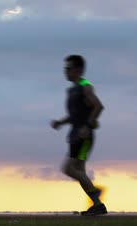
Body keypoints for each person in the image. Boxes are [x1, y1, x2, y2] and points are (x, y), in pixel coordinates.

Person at [51, 55, 107, 216]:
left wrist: (87, 126)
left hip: (83, 136)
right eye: (65, 68)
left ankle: (96, 193)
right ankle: (97, 205)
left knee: (69, 168)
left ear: (79, 69)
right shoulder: (71, 90)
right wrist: (60, 122)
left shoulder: (85, 86)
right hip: (75, 134)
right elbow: (75, 115)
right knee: (79, 171)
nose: (66, 72)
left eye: (69, 68)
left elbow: (98, 106)